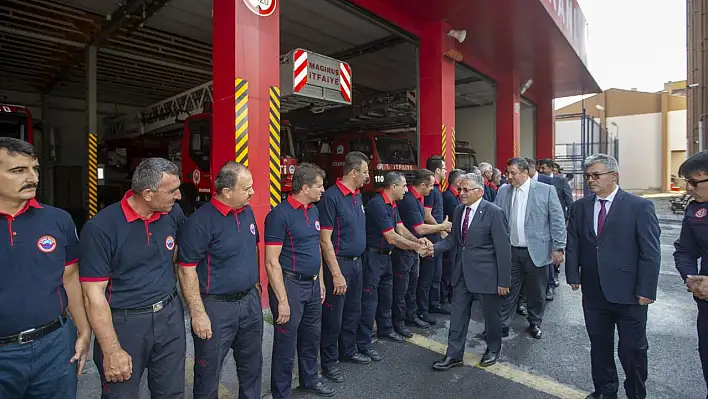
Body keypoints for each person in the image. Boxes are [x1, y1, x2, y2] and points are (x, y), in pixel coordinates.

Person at [80, 158, 186, 398]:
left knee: (171, 392)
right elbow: (92, 296)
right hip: (125, 323)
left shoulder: (172, 212)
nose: (179, 196)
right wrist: (112, 350)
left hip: (169, 315)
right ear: (148, 194)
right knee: (121, 394)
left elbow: (178, 249)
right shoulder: (101, 229)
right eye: (172, 191)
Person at [0, 137, 90, 399]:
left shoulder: (58, 219)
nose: (33, 178)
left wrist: (84, 330)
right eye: (18, 170)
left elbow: (70, 278)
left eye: (35, 169)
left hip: (54, 346)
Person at [566, 154, 660, 399]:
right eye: (587, 176)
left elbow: (650, 252)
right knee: (599, 346)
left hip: (630, 293)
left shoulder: (639, 206)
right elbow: (574, 242)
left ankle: (636, 393)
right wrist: (572, 274)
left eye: (596, 175)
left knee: (632, 350)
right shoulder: (580, 207)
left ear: (614, 176)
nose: (590, 180)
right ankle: (605, 391)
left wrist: (647, 290)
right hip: (594, 291)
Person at [177, 162, 263, 399]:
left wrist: (255, 285)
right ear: (227, 192)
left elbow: (253, 248)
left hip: (249, 303)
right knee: (208, 373)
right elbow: (186, 270)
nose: (252, 192)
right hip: (215, 308)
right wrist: (198, 313)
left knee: (252, 368)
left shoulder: (247, 212)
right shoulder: (200, 222)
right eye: (246, 188)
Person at [264, 163, 334, 398]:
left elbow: (316, 249)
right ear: (305, 187)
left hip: (313, 285)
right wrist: (282, 300)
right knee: (285, 345)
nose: (323, 190)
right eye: (319, 186)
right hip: (290, 286)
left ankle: (310, 380)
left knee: (311, 338)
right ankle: (281, 393)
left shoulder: (313, 210)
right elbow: (272, 262)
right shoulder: (279, 215)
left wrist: (321, 282)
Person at [431, 173, 511, 370]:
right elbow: (454, 240)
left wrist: (504, 281)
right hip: (461, 275)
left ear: (479, 192)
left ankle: (493, 349)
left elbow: (503, 248)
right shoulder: (459, 211)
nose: (461, 193)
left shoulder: (494, 212)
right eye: (460, 189)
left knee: (491, 316)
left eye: (466, 190)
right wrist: (433, 248)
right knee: (457, 316)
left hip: (486, 276)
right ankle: (454, 355)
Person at [356, 172, 429, 359]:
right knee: (370, 301)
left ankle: (386, 329)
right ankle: (364, 343)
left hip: (386, 257)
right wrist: (416, 247)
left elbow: (401, 228)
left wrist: (418, 241)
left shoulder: (392, 204)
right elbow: (392, 236)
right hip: (373, 258)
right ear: (393, 187)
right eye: (404, 186)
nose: (407, 190)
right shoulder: (378, 205)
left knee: (387, 297)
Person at [495, 157, 565, 339]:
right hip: (511, 251)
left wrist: (558, 247)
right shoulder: (503, 192)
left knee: (537, 291)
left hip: (537, 251)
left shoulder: (546, 190)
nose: (509, 177)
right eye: (507, 173)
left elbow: (557, 220)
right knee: (508, 289)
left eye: (513, 173)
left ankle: (535, 323)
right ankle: (503, 324)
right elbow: (496, 219)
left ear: (525, 173)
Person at [318, 152, 370, 384]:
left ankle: (347, 351)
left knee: (353, 312)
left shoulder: (357, 195)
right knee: (334, 317)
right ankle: (329, 362)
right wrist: (336, 273)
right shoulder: (331, 197)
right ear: (353, 173)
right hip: (339, 265)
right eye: (365, 172)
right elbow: (324, 239)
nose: (368, 177)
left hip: (358, 263)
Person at [393, 169, 450, 336]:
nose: (432, 189)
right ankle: (402, 320)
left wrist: (418, 242)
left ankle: (412, 315)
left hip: (414, 246)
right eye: (431, 185)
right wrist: (442, 227)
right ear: (423, 185)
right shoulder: (409, 200)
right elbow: (418, 228)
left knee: (412, 286)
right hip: (404, 250)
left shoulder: (416, 199)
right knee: (403, 289)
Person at [673, 150, 708, 398]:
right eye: (686, 182)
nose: (688, 188)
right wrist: (691, 278)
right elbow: (684, 251)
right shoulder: (696, 210)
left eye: (694, 182)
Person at [537, 158, 574, 300]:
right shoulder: (538, 181)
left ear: (552, 168)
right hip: (541, 221)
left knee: (554, 248)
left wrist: (569, 219)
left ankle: (552, 280)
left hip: (557, 220)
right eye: (540, 167)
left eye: (544, 168)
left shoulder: (560, 181)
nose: (542, 170)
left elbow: (568, 200)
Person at [421, 156, 448, 320]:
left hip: (437, 234)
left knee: (437, 273)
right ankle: (426, 308)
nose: (446, 171)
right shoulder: (431, 191)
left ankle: (435, 302)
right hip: (431, 236)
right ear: (437, 170)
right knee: (429, 275)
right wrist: (441, 228)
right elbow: (427, 214)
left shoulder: (437, 189)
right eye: (444, 168)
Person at [439, 168, 465, 312]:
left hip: (456, 237)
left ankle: (450, 296)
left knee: (454, 268)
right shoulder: (448, 196)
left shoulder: (455, 195)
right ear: (458, 181)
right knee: (448, 270)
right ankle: (444, 298)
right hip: (450, 236)